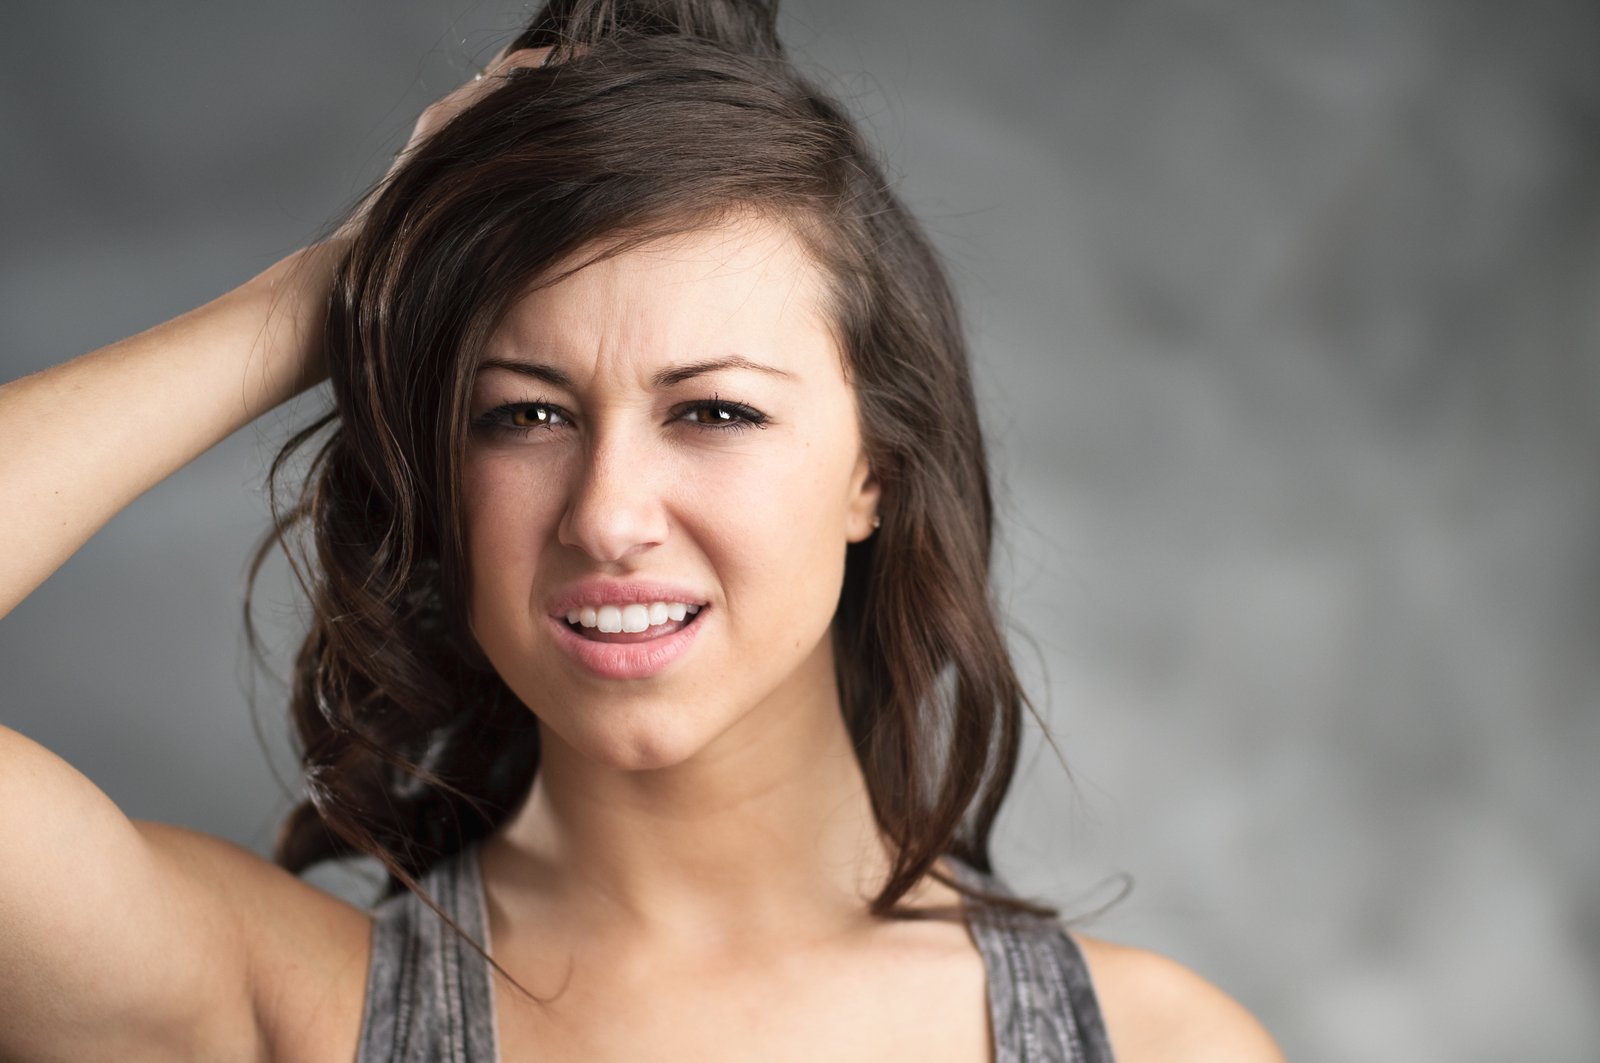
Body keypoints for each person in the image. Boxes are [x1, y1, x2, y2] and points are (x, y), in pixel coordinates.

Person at [0, 2, 1285, 1059]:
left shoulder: (1162, 1043)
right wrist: (337, 286)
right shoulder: (282, 1006)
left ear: (874, 470)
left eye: (713, 409)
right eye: (524, 416)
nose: (608, 514)